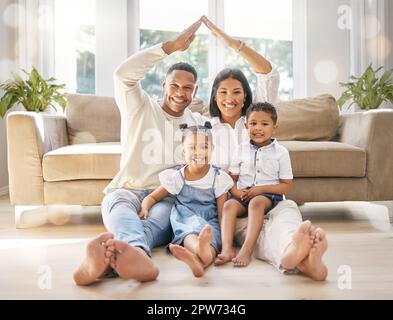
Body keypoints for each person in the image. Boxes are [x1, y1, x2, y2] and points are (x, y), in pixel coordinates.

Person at [73, 19, 209, 285]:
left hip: (165, 197)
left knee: (155, 225)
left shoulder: (196, 124)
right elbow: (122, 75)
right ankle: (136, 258)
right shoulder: (141, 107)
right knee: (123, 216)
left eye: (188, 88)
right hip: (126, 190)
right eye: (175, 86)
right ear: (163, 85)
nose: (181, 93)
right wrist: (169, 47)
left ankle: (108, 263)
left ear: (195, 91)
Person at [205, 17, 328, 280]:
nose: (230, 99)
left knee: (287, 213)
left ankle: (301, 252)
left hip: (269, 197)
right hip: (233, 202)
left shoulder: (255, 118)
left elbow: (268, 73)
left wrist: (231, 43)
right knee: (257, 230)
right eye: (223, 92)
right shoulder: (206, 126)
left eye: (236, 92)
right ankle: (304, 262)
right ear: (214, 96)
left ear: (247, 96)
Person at [138, 122, 233, 277]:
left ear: (212, 149)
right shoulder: (178, 177)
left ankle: (198, 260)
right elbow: (154, 196)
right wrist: (145, 207)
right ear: (183, 151)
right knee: (189, 234)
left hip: (210, 221)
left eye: (204, 147)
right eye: (192, 147)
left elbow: (223, 213)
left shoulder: (218, 177)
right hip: (186, 218)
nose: (198, 152)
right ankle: (198, 248)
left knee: (212, 246)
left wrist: (225, 240)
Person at [219, 102, 292, 267]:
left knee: (256, 202)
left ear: (274, 127)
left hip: (268, 196)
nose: (258, 128)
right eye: (253, 123)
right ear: (246, 126)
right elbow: (232, 178)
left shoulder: (281, 152)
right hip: (243, 195)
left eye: (264, 124)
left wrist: (260, 190)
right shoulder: (240, 149)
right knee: (229, 205)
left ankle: (246, 249)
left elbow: (287, 186)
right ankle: (227, 249)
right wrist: (237, 193)